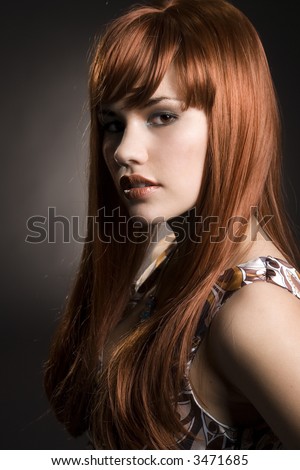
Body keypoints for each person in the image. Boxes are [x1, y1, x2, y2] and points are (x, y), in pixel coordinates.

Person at [44, 0, 300, 450]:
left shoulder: (253, 309)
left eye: (162, 116)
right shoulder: (173, 257)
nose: (124, 151)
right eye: (112, 123)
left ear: (233, 122)